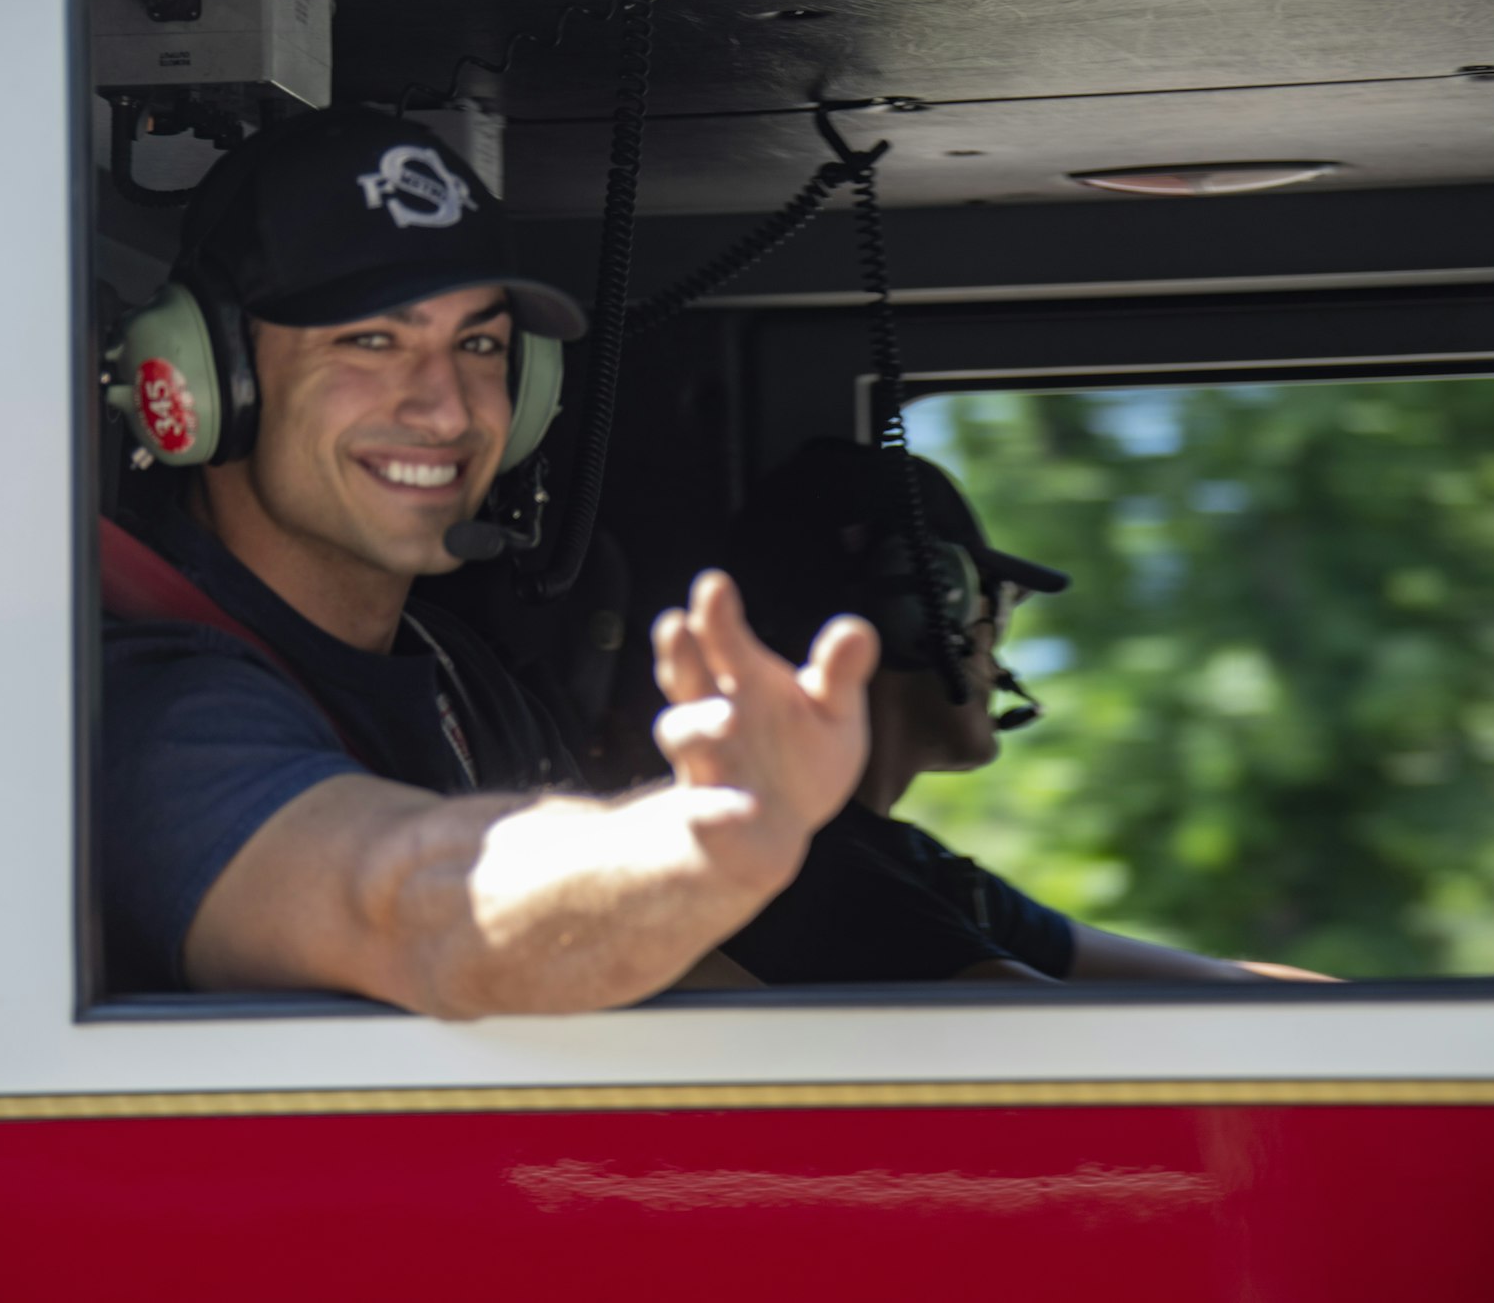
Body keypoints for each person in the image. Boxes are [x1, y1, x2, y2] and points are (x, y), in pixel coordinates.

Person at [99, 108, 878, 1017]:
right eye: (372, 341)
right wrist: (704, 840)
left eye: (478, 345)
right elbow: (412, 908)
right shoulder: (154, 709)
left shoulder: (461, 681)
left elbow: (633, 967)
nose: (446, 410)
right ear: (205, 378)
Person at [721, 438, 1333, 983]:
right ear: (926, 606)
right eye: (998, 610)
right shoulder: (807, 871)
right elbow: (1046, 1036)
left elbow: (1217, 982)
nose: (999, 656)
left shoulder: (909, 864)